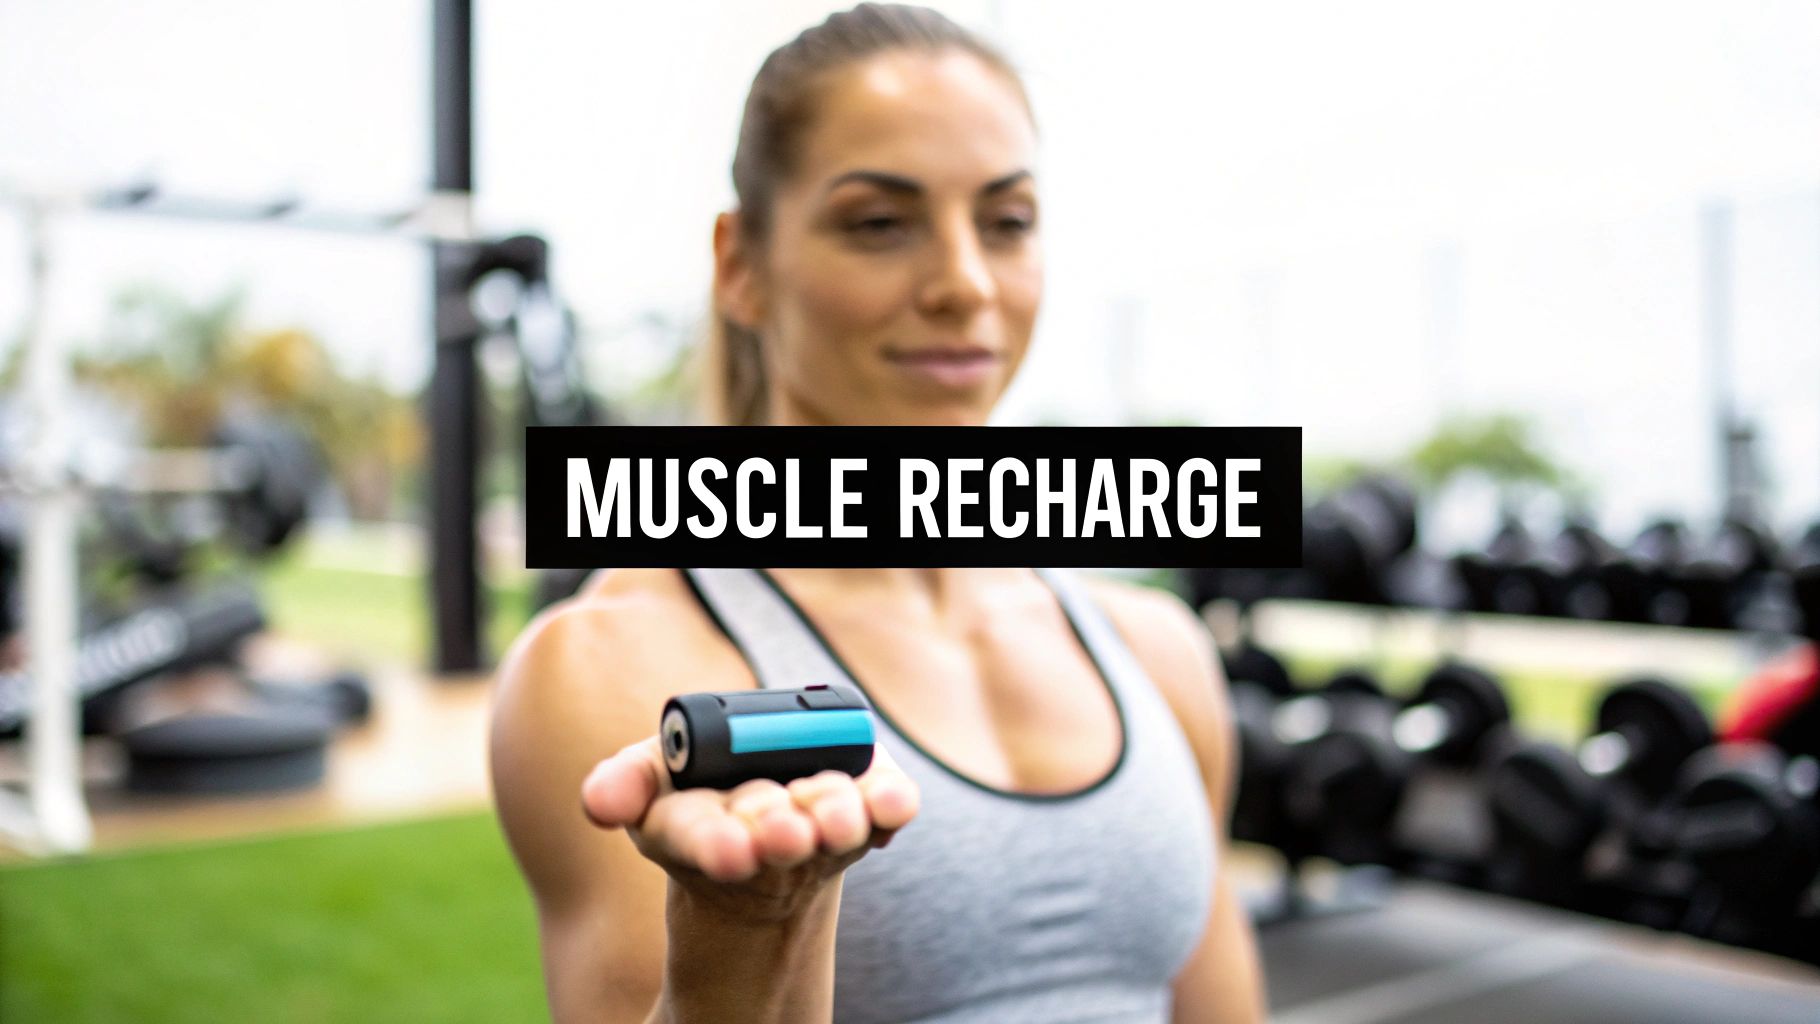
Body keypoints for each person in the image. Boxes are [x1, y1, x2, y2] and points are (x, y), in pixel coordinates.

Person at [490, 5, 1266, 1021]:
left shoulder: (1155, 649)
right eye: (877, 223)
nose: (963, 282)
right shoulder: (614, 668)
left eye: (1007, 221)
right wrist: (746, 935)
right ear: (741, 265)